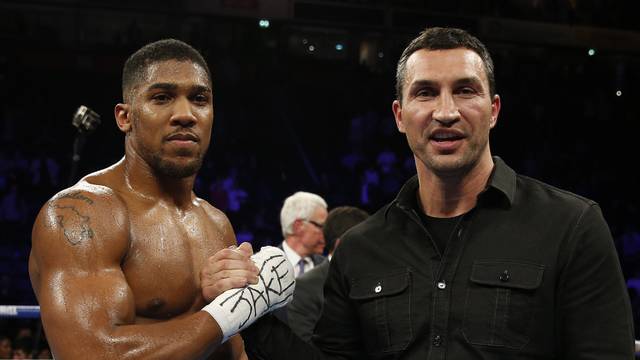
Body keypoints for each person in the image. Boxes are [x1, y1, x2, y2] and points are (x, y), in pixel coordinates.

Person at [242, 27, 635, 359]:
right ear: (399, 115)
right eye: (426, 92)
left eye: (465, 90)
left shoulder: (572, 227)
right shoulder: (360, 249)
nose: (446, 111)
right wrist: (249, 313)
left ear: (494, 109)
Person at [28, 39, 294, 359]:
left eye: (199, 99)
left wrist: (244, 311)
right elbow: (90, 353)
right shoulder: (82, 214)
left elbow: (233, 353)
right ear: (125, 117)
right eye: (162, 98)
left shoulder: (215, 222)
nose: (185, 114)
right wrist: (237, 308)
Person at [287, 206, 369, 342]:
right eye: (365, 241)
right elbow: (305, 350)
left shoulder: (375, 278)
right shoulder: (304, 288)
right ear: (341, 244)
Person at [278, 192, 328, 278]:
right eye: (321, 226)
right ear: (298, 226)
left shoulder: (329, 269)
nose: (326, 233)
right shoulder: (261, 266)